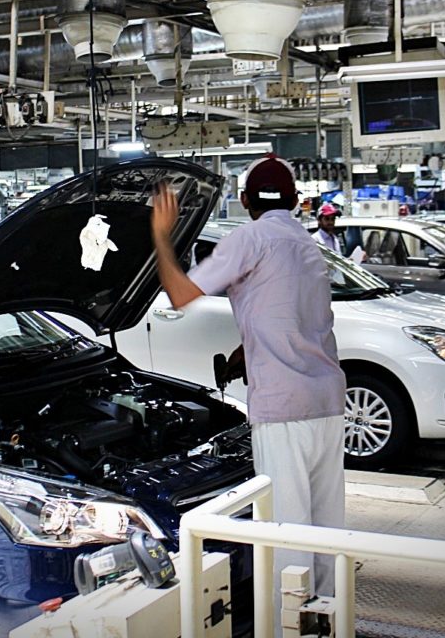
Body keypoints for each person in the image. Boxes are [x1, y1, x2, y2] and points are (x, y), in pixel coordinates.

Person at [150, 155, 346, 615]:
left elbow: (180, 294)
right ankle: (331, 620)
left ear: (244, 202)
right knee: (325, 533)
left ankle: (287, 627)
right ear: (297, 202)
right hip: (327, 402)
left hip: (283, 408)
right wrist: (247, 350)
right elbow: (294, 316)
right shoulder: (308, 244)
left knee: (285, 537)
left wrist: (161, 234)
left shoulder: (250, 239)